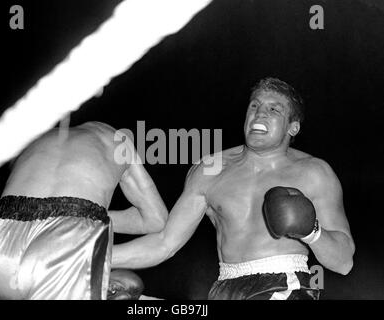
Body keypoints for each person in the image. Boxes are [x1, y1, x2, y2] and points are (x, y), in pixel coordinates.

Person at [112, 77, 355, 300]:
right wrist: (96, 258)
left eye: (274, 109)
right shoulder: (210, 170)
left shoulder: (314, 173)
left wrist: (311, 232)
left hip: (284, 284)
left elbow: (344, 262)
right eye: (254, 106)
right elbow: (165, 243)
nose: (260, 114)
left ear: (293, 127)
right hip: (224, 286)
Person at [0, 121, 167, 300]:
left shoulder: (35, 138)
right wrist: (99, 215)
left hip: (3, 231)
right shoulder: (114, 138)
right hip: (67, 232)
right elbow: (157, 220)